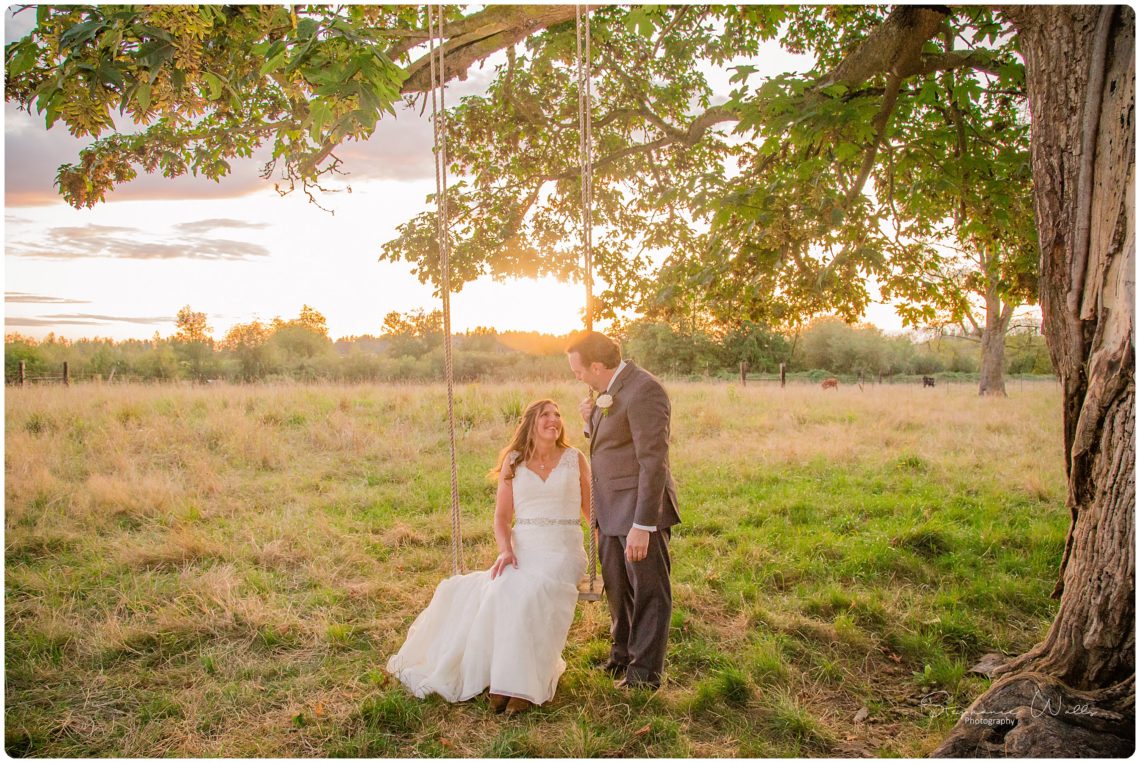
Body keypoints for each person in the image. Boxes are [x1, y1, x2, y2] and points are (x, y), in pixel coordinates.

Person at [386, 399, 590, 716]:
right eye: (546, 415)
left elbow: (593, 512)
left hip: (563, 548)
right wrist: (506, 550)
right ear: (531, 423)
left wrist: (611, 546)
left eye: (558, 415)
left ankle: (522, 688)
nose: (554, 420)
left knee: (535, 592)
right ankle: (502, 681)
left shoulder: (575, 459)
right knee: (501, 590)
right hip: (525, 546)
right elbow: (501, 518)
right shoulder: (514, 461)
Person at [566, 331, 680, 690]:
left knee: (648, 591)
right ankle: (622, 657)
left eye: (579, 371)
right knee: (618, 588)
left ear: (597, 366)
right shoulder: (609, 389)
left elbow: (653, 462)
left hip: (637, 513)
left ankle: (644, 675)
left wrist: (643, 525)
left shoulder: (645, 390)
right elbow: (611, 445)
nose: (578, 377)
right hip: (610, 509)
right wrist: (589, 422)